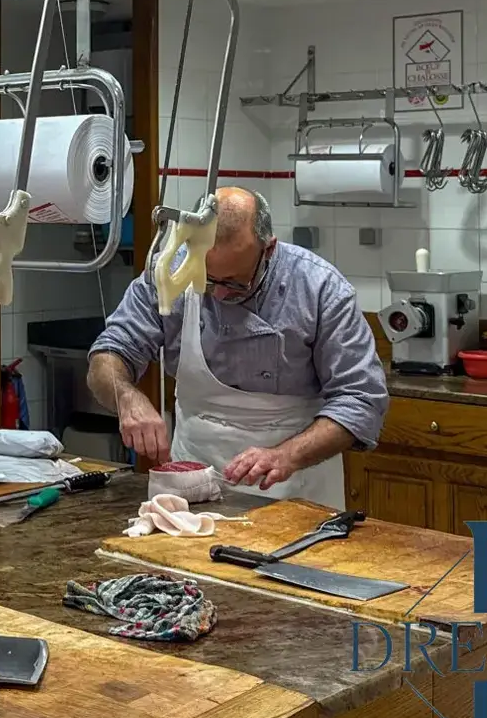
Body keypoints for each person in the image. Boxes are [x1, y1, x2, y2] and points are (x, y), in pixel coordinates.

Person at [87, 187, 386, 504]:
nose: (216, 294)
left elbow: (361, 399)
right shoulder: (168, 275)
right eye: (205, 278)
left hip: (293, 486)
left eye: (232, 282)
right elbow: (109, 354)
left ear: (268, 250)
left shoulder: (320, 288)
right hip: (194, 477)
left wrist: (287, 456)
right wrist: (126, 397)